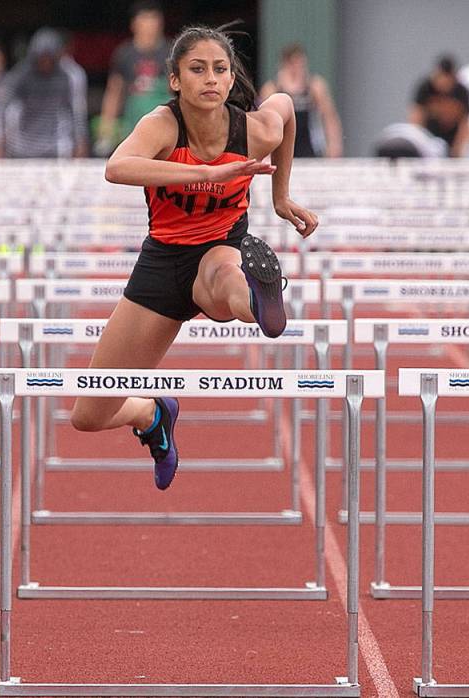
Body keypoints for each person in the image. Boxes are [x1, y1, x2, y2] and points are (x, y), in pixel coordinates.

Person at [69, 25, 318, 490]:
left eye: (220, 70)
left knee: (225, 279)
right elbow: (116, 167)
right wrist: (207, 171)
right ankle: (151, 412)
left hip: (220, 247)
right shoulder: (163, 125)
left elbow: (284, 107)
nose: (210, 79)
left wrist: (281, 198)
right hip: (162, 263)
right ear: (176, 79)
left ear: (229, 79)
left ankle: (261, 301)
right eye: (197, 69)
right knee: (88, 413)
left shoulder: (253, 129)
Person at [0, 28, 89, 158]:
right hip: (22, 144)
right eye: (41, 58)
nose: (45, 63)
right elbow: (0, 107)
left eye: (49, 58)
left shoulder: (68, 76)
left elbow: (77, 111)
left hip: (56, 144)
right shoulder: (20, 74)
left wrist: (81, 141)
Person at [94, 1, 171, 156]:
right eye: (145, 20)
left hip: (165, 123)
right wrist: (106, 130)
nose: (150, 25)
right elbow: (114, 92)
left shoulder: (172, 52)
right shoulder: (124, 54)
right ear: (134, 24)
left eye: (153, 20)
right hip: (133, 126)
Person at [258, 43, 342, 158]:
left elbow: (329, 117)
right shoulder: (272, 88)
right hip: (281, 144)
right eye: (293, 64)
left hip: (309, 145)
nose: (297, 68)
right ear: (284, 65)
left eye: (301, 64)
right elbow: (263, 121)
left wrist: (334, 145)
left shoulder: (314, 86)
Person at [409, 55, 469, 157]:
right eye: (441, 77)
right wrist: (419, 142)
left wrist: (458, 148)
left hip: (453, 139)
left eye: (447, 79)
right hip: (429, 138)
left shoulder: (461, 91)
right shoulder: (425, 88)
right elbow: (416, 116)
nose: (443, 83)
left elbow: (466, 123)